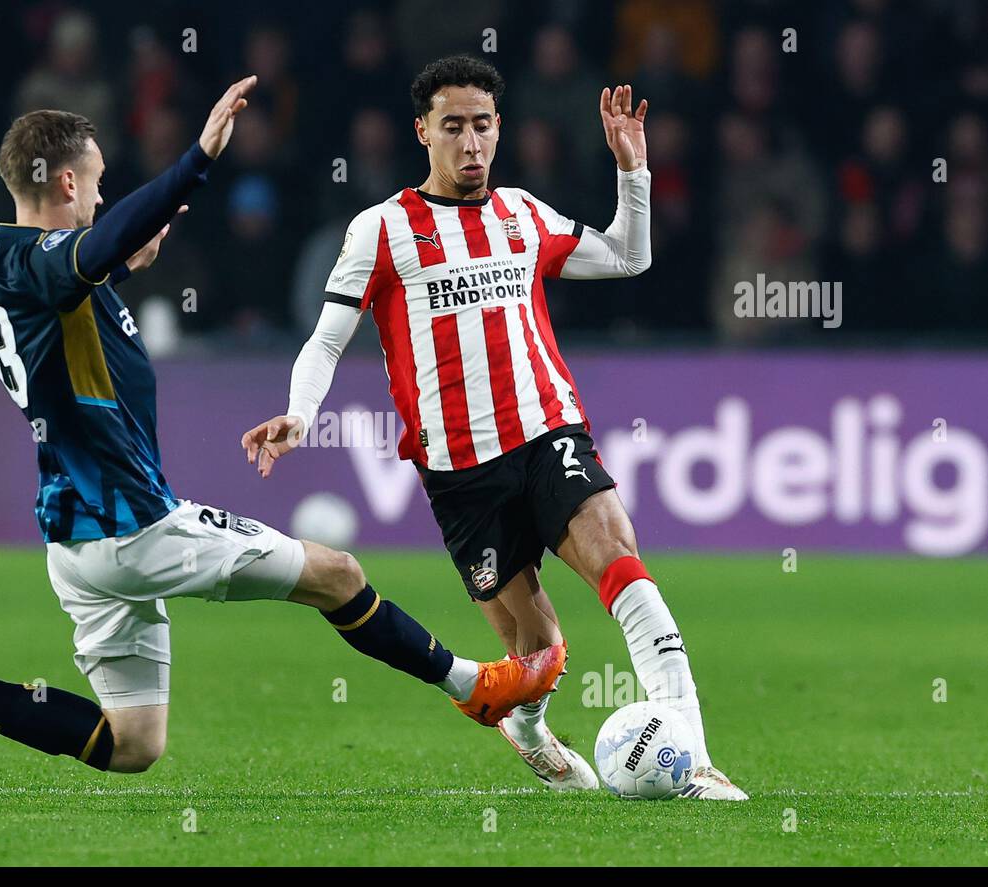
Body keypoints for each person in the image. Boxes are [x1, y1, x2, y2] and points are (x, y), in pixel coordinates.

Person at [0, 77, 564, 775]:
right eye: (101, 182)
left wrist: (117, 262)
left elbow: (66, 289)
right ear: (69, 184)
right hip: (135, 528)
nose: (106, 198)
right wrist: (199, 157)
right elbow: (76, 261)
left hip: (75, 542)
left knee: (132, 744)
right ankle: (472, 685)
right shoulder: (51, 265)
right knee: (336, 573)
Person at [241, 56, 746, 799]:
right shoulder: (381, 230)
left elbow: (631, 257)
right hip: (460, 475)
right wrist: (300, 414)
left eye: (482, 126)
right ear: (423, 133)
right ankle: (529, 728)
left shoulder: (523, 215)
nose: (470, 143)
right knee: (537, 656)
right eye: (453, 128)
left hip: (548, 434)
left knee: (620, 560)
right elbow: (325, 339)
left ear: (498, 128)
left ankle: (695, 759)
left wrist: (632, 173)